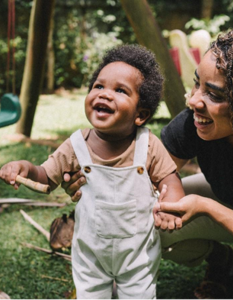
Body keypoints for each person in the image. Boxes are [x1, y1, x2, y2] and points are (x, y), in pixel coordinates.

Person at [0, 44, 185, 299]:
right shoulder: (76, 146)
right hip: (90, 254)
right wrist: (25, 168)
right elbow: (46, 176)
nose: (105, 94)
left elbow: (169, 180)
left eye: (120, 90)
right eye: (99, 86)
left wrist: (171, 206)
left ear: (140, 114)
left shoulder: (148, 145)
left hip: (138, 255)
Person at [62, 30, 233, 299]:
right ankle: (222, 260)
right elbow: (144, 176)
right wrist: (92, 181)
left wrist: (205, 206)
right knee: (144, 217)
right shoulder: (192, 122)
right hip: (225, 198)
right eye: (197, 84)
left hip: (223, 206)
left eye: (214, 95)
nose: (194, 100)